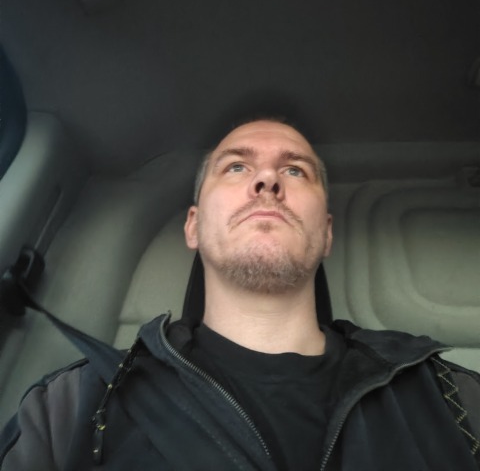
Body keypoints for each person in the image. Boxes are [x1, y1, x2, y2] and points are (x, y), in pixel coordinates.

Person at [1, 118, 479, 470]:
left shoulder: (451, 395)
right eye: (235, 167)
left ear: (327, 233)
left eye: (296, 171)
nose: (267, 180)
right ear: (193, 225)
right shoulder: (71, 405)